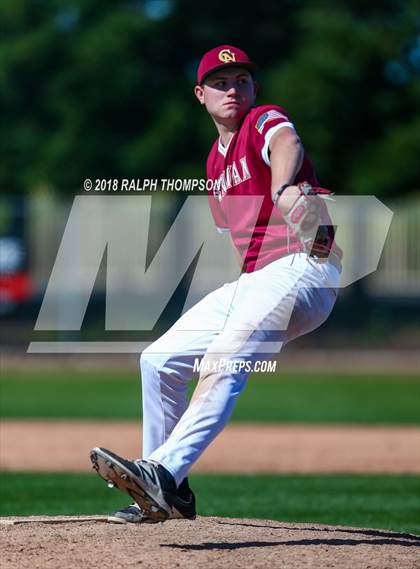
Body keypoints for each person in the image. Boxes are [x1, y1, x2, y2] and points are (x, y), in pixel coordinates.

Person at [90, 45, 342, 524]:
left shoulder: (263, 121)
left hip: (305, 267)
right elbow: (239, 240)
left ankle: (161, 472)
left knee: (226, 358)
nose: (233, 89)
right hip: (256, 280)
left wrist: (286, 187)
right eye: (221, 82)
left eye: (241, 81)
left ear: (254, 90)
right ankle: (169, 491)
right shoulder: (214, 163)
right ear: (200, 94)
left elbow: (287, 142)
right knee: (159, 361)